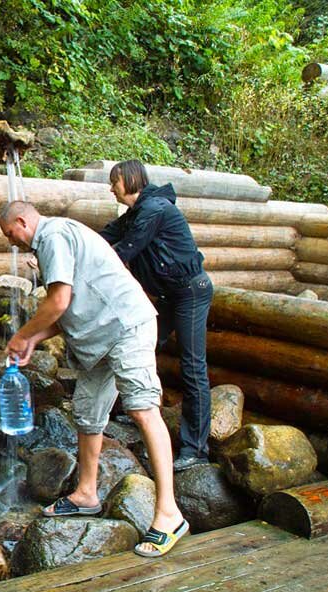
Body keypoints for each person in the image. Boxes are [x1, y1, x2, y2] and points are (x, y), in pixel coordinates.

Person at [0, 201, 187, 558]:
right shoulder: (55, 238)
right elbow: (66, 309)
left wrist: (21, 335)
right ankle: (87, 492)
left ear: (22, 221)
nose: (13, 243)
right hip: (97, 339)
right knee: (87, 415)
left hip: (125, 327)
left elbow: (58, 301)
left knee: (143, 409)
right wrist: (35, 339)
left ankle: (169, 514)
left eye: (12, 234)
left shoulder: (53, 235)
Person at [100, 160, 213, 472]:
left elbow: (123, 252)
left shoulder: (154, 210)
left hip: (190, 291)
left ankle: (196, 450)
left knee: (192, 367)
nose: (111, 189)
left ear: (130, 179)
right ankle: (138, 408)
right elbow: (102, 239)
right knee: (141, 347)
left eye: (114, 182)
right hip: (168, 295)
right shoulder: (134, 215)